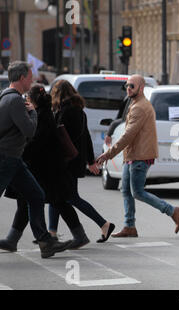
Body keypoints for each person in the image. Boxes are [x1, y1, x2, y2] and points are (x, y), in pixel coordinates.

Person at [0, 85, 90, 252]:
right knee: (31, 201)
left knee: (58, 201)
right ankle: (15, 239)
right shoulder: (44, 113)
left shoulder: (41, 116)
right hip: (45, 169)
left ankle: (78, 236)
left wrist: (20, 151)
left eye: (27, 100)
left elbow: (35, 142)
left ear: (32, 101)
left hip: (48, 171)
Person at [96, 75, 179, 238]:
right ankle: (129, 226)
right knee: (126, 190)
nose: (128, 88)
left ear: (141, 88)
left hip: (140, 156)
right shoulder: (135, 104)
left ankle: (173, 211)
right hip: (133, 155)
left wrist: (109, 154)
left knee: (136, 191)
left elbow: (128, 135)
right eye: (126, 86)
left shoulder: (140, 107)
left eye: (132, 86)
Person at [0, 61, 72, 258]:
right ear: (22, 78)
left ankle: (44, 241)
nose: (32, 80)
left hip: (13, 159)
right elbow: (30, 131)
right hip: (7, 158)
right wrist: (32, 112)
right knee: (35, 195)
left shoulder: (5, 96)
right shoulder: (15, 100)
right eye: (30, 77)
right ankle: (44, 240)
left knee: (36, 195)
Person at [50, 80, 115, 243]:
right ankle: (51, 232)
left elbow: (59, 137)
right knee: (56, 195)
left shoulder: (64, 111)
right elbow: (86, 137)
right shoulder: (79, 111)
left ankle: (104, 224)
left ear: (57, 94)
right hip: (75, 160)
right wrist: (90, 161)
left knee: (71, 197)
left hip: (66, 161)